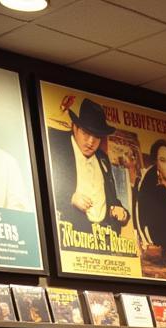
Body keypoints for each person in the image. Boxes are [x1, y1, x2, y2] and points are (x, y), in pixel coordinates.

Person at [47, 97, 130, 236]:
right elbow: (41, 184)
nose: (91, 142)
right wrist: (70, 197)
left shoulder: (102, 158)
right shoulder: (56, 143)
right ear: (75, 128)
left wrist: (122, 213)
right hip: (71, 235)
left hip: (104, 238)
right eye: (86, 134)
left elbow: (112, 198)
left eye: (96, 137)